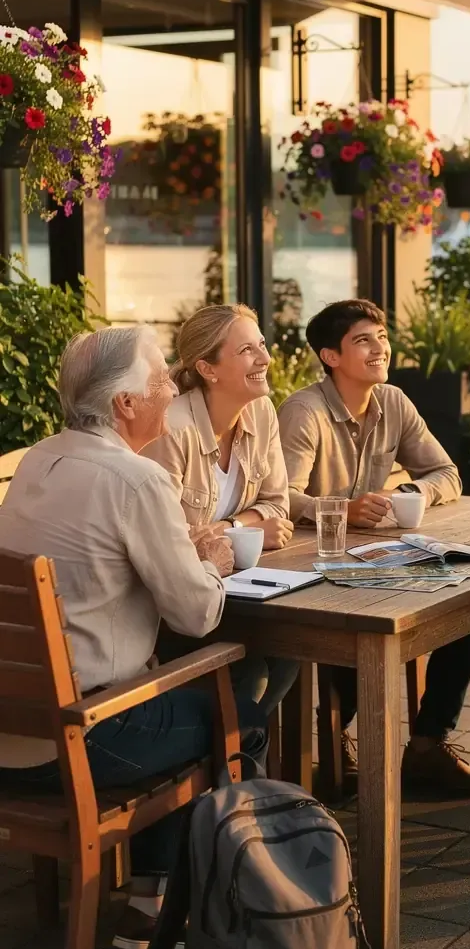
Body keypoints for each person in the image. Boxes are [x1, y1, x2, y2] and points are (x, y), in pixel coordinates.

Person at [0, 326, 288, 949]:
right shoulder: (136, 479)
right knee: (241, 708)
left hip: (11, 729)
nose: (171, 389)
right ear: (125, 405)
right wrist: (213, 560)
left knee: (194, 697)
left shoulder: (35, 463)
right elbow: (197, 615)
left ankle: (151, 895)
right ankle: (220, 903)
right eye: (161, 379)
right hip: (83, 737)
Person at [277, 298, 470, 797]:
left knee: (469, 598)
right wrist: (341, 509)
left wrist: (409, 494)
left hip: (373, 558)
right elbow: (280, 497)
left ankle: (426, 747)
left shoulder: (393, 401)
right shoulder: (304, 412)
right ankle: (333, 748)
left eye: (382, 338)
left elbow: (446, 474)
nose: (381, 349)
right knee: (363, 625)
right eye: (364, 341)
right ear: (330, 356)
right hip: (307, 565)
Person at [144, 303, 299, 719]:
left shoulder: (261, 411)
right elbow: (171, 543)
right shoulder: (172, 430)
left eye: (262, 345)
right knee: (247, 671)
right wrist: (249, 530)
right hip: (174, 609)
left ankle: (242, 745)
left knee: (291, 653)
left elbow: (276, 505)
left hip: (235, 587)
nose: (265, 358)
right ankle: (237, 756)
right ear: (208, 369)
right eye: (248, 350)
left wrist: (229, 527)